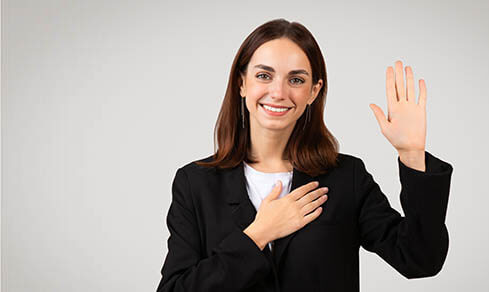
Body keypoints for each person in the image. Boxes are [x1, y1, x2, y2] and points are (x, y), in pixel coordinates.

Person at [156, 18, 453, 292]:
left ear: (313, 91)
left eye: (296, 80)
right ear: (242, 83)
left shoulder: (345, 178)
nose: (278, 92)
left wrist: (412, 154)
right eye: (263, 75)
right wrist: (258, 234)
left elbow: (419, 259)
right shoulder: (195, 183)